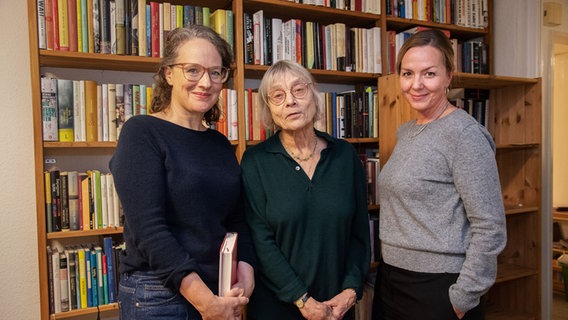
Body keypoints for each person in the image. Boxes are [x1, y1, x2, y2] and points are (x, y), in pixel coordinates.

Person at [109, 25, 255, 320]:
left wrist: (246, 273)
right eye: (193, 70)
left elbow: (236, 219)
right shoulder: (141, 132)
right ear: (168, 74)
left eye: (216, 72)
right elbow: (150, 230)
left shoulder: (219, 143)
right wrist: (205, 302)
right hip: (159, 293)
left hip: (218, 288)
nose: (205, 82)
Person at [372, 29, 507, 320]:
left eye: (429, 74)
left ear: (449, 76)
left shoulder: (465, 136)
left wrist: (462, 298)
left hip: (439, 287)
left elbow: (490, 227)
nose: (416, 85)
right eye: (407, 74)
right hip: (392, 280)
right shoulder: (407, 131)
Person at [240, 60, 371, 320]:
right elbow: (260, 241)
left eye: (299, 90)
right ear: (269, 109)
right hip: (276, 307)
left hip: (337, 306)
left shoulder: (344, 154)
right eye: (278, 96)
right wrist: (302, 299)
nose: (290, 101)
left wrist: (351, 290)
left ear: (313, 95)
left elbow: (359, 233)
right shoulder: (255, 161)